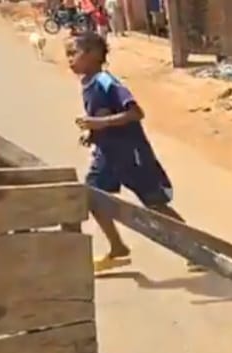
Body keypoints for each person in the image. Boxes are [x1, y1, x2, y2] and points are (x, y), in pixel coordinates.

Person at [66, 32, 202, 273]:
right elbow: (102, 116)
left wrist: (100, 124)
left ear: (93, 54)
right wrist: (92, 133)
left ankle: (198, 249)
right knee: (93, 197)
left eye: (73, 53)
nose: (69, 60)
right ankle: (117, 247)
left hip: (131, 155)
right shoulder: (87, 84)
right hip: (107, 156)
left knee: (155, 204)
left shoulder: (106, 81)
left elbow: (136, 113)